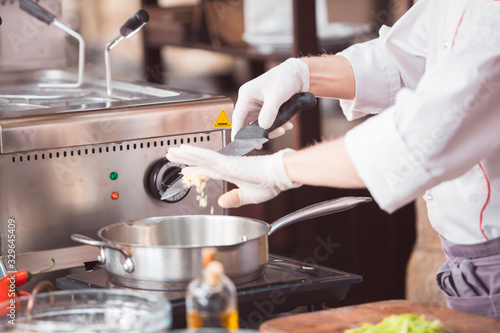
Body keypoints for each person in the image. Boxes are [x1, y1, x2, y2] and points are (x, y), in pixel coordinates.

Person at [167, 0, 500, 319]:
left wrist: (277, 169)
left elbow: (414, 141)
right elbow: (400, 62)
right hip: (466, 260)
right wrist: (302, 73)